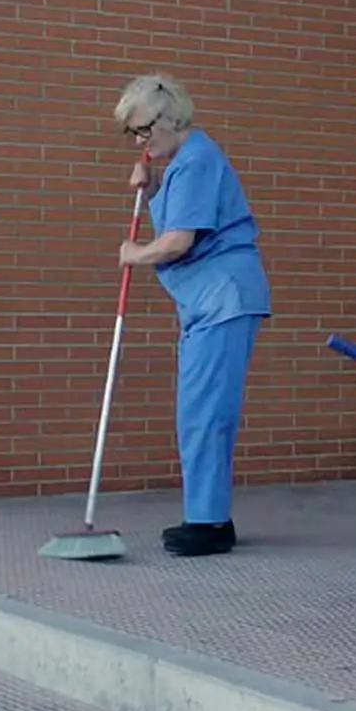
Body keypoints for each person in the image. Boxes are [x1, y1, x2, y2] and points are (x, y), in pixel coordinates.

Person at [111, 73, 272, 557]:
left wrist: (132, 253)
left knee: (205, 413)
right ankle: (207, 516)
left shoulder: (197, 161)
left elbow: (180, 241)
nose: (139, 141)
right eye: (132, 134)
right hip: (209, 303)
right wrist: (154, 181)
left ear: (170, 118)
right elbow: (183, 216)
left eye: (142, 130)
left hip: (222, 299)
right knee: (198, 411)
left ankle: (208, 523)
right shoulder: (185, 162)